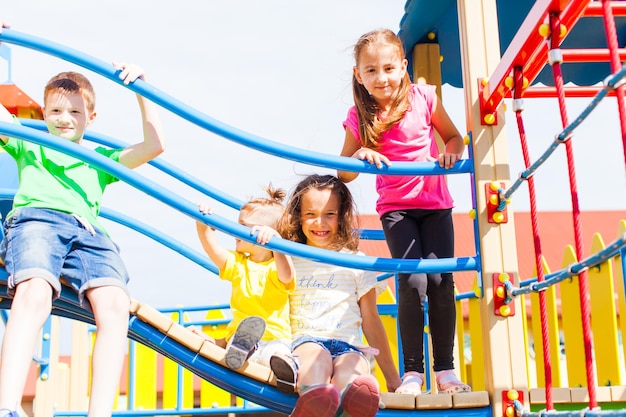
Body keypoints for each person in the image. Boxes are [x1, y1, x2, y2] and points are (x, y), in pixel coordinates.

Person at [0, 22, 166, 417]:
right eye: (55, 111)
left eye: (75, 111)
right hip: (36, 221)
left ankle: (100, 414)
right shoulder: (30, 141)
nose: (64, 118)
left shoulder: (100, 161)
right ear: (44, 113)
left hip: (89, 234)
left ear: (92, 116)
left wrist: (140, 90)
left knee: (114, 306)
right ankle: (5, 405)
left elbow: (155, 145)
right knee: (35, 292)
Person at [337, 28, 470, 396]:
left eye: (389, 68)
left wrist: (451, 152)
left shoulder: (425, 97)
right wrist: (361, 153)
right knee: (412, 282)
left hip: (436, 205)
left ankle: (445, 369)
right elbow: (343, 172)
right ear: (358, 75)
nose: (382, 78)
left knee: (442, 283)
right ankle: (414, 372)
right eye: (371, 71)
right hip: (397, 209)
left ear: (403, 67)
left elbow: (454, 137)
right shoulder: (360, 115)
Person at [272, 174, 402, 417]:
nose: (319, 222)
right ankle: (316, 400)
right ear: (299, 216)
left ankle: (350, 400)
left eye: (329, 214)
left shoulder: (356, 262)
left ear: (342, 215)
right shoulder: (289, 258)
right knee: (317, 359)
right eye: (310, 214)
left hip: (350, 347)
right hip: (307, 342)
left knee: (354, 373)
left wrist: (392, 378)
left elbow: (371, 321)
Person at [195, 185, 296, 380]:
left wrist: (277, 243)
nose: (235, 232)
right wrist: (202, 222)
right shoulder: (238, 263)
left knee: (277, 356)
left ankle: (286, 373)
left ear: (264, 233)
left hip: (275, 338)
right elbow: (212, 249)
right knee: (240, 342)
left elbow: (287, 276)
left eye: (243, 226)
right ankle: (241, 352)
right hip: (240, 338)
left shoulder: (277, 266)